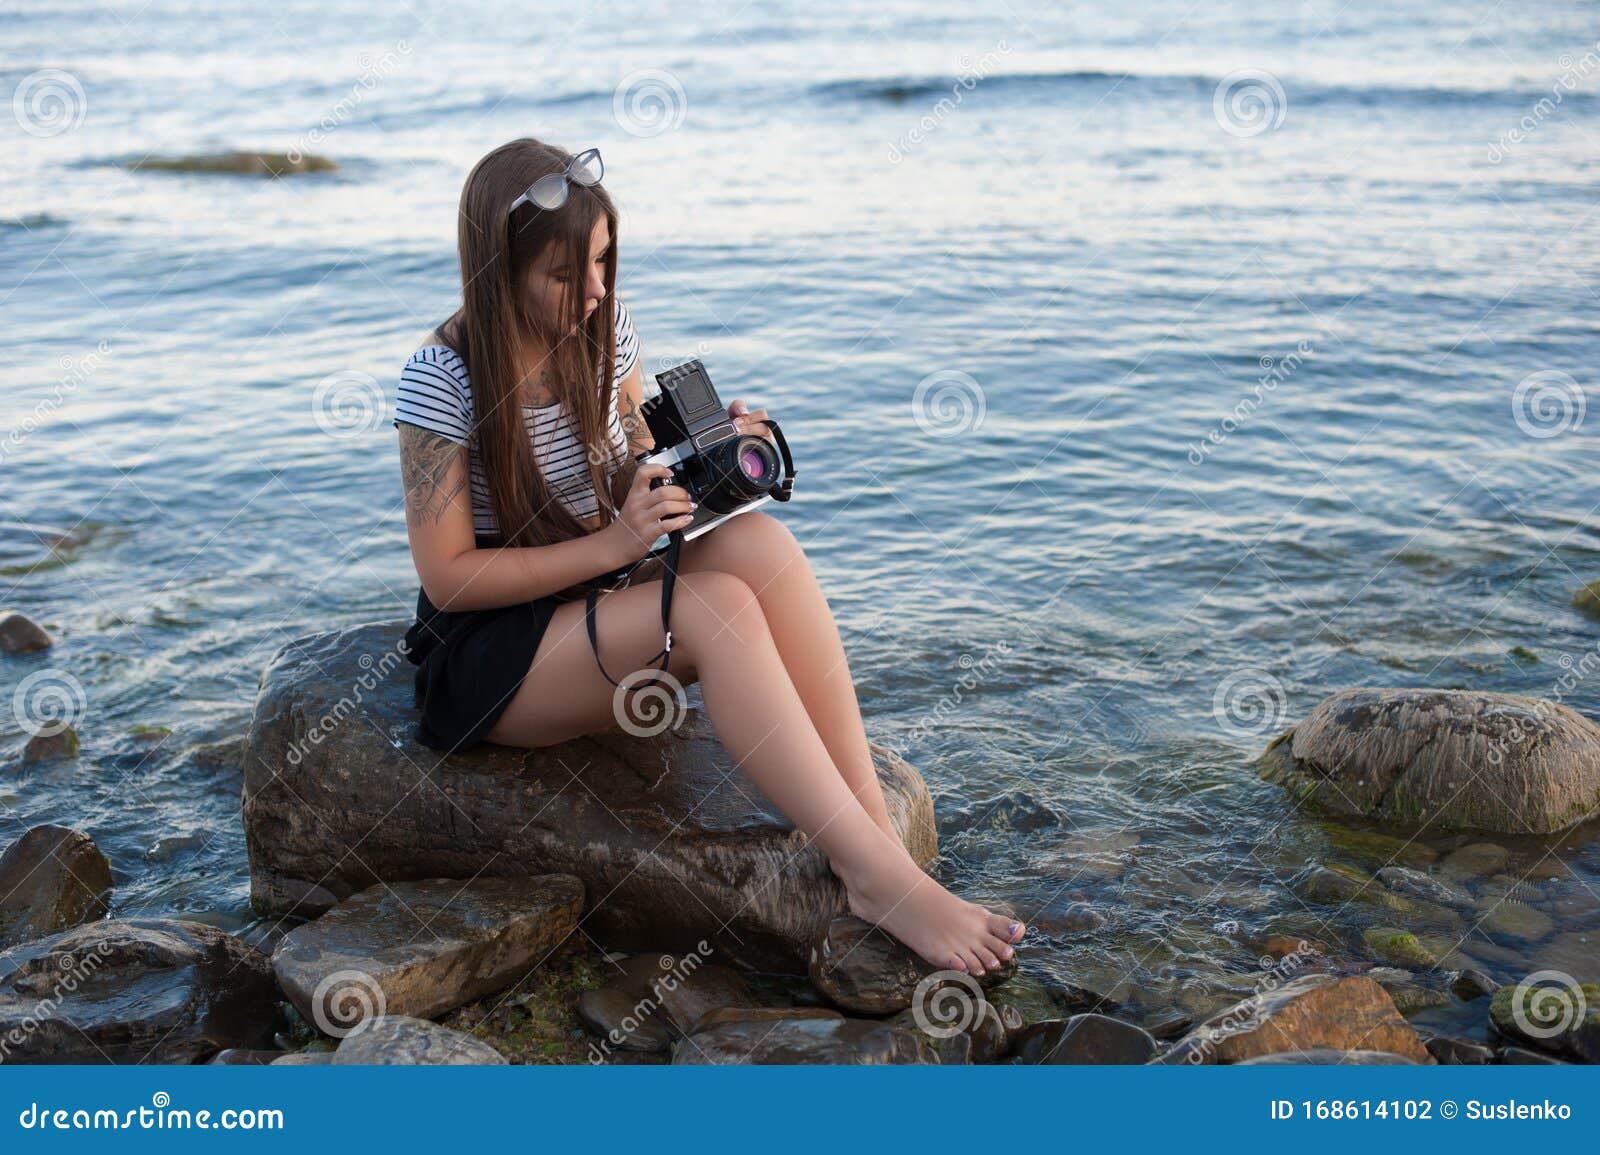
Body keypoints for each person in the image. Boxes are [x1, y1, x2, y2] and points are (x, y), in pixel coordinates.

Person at [391, 137, 1025, 976]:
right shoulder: (444, 377)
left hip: (594, 586)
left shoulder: (602, 329)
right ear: (496, 269)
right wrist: (617, 541)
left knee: (761, 544)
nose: (593, 291)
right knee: (713, 607)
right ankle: (879, 882)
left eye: (604, 262)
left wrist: (712, 448)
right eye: (561, 274)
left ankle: (871, 837)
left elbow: (629, 462)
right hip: (494, 650)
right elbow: (450, 576)